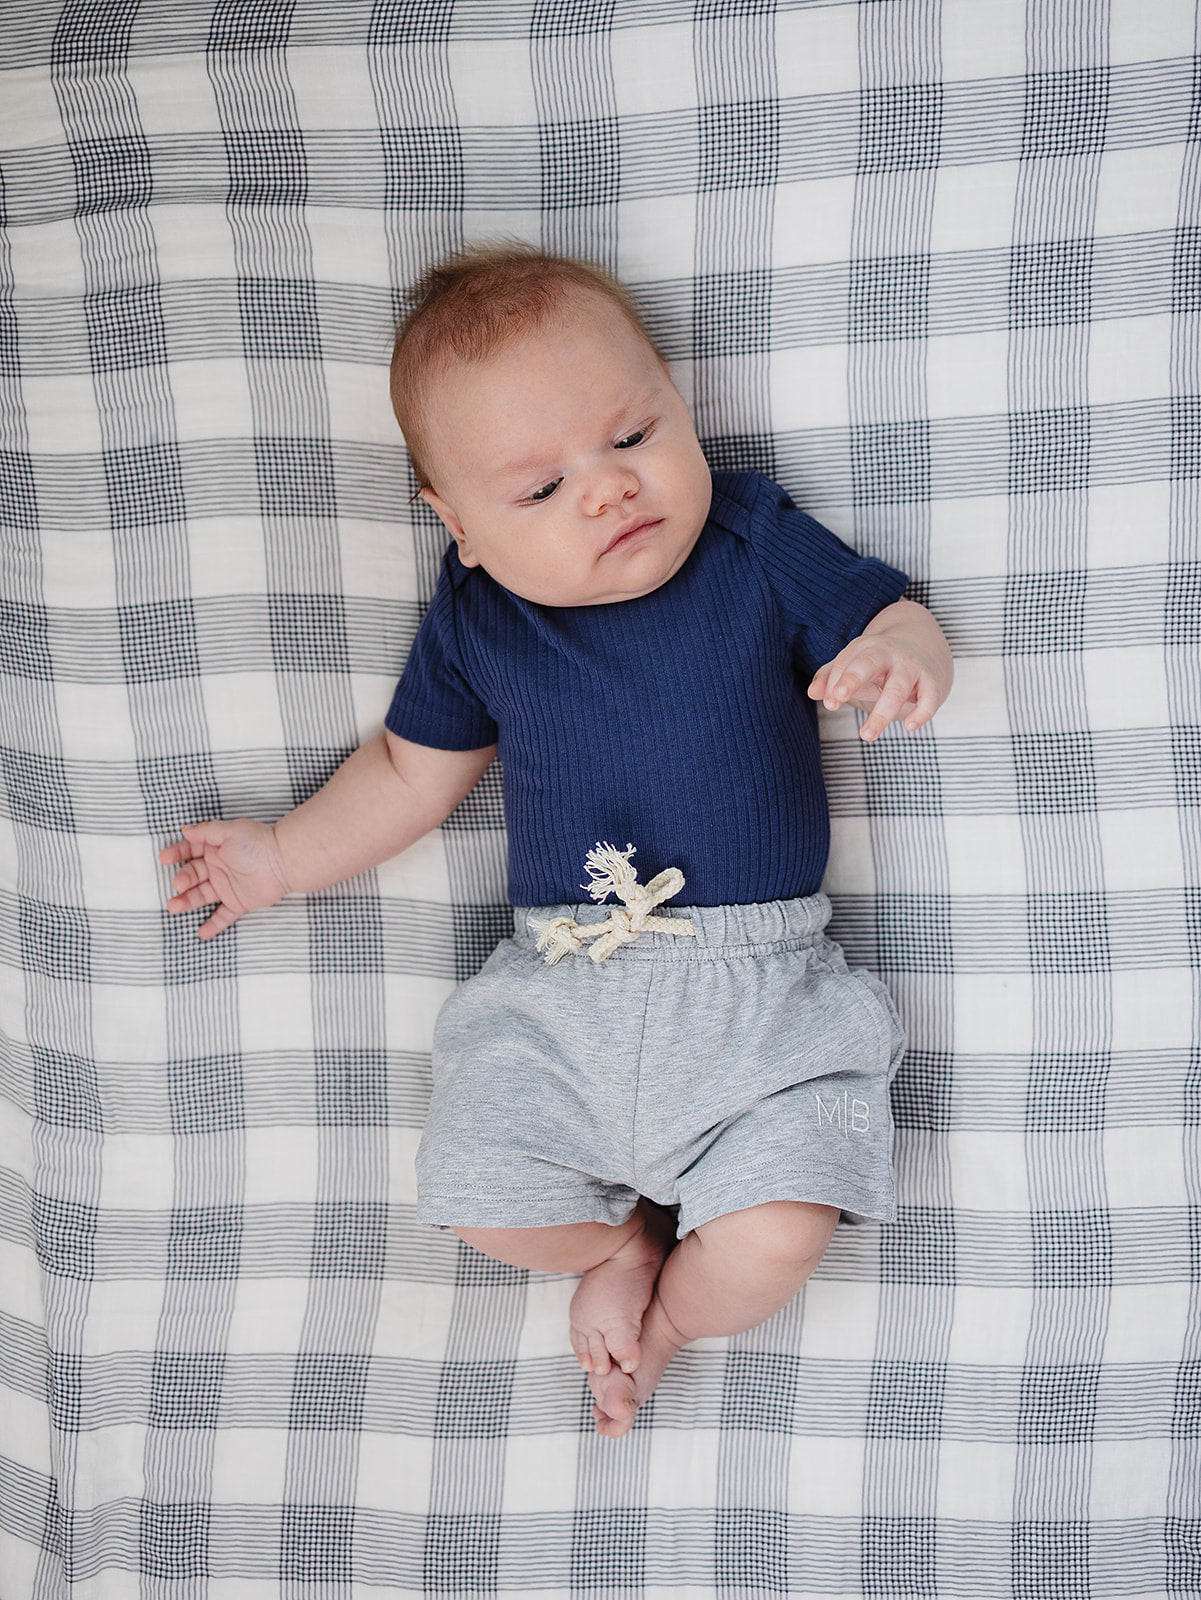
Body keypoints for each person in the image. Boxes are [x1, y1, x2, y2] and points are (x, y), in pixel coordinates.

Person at [161, 243, 953, 1437]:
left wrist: (899, 654)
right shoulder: (480, 616)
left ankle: (664, 1319)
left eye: (632, 436)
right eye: (538, 490)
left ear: (679, 402)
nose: (607, 489)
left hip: (761, 1000)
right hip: (560, 995)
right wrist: (280, 856)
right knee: (481, 1201)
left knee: (781, 1233)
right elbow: (406, 773)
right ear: (459, 527)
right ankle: (621, 1240)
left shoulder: (748, 543)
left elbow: (890, 611)